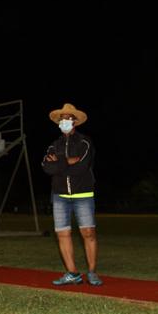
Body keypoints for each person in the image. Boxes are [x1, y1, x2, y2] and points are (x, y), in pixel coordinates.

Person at [41, 103, 101, 287]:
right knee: (62, 234)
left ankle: (92, 272)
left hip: (83, 193)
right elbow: (46, 167)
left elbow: (83, 165)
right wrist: (67, 162)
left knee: (88, 233)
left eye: (68, 118)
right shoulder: (54, 145)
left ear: (75, 121)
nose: (64, 121)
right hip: (60, 195)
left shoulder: (84, 142)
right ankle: (73, 273)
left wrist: (59, 164)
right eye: (62, 118)